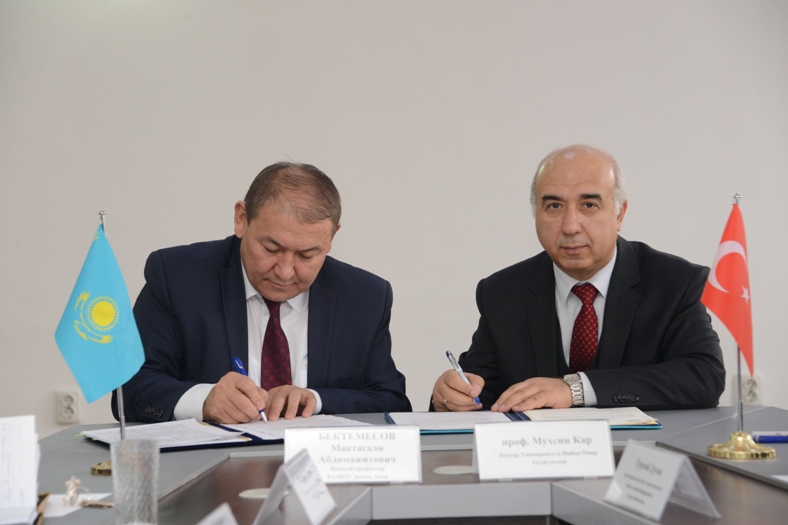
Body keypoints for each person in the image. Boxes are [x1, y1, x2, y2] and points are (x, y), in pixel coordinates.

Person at [432, 145, 725, 413]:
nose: (571, 226)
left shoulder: (674, 283)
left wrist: (576, 389)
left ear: (619, 214)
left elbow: (704, 376)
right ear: (536, 214)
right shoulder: (503, 293)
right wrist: (452, 396)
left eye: (589, 205)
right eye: (554, 206)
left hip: (640, 450)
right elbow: (481, 393)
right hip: (540, 453)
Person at [113, 162, 412, 424]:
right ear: (242, 219)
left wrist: (316, 400)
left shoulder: (365, 297)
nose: (285, 271)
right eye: (271, 249)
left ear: (332, 237)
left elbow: (390, 401)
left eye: (307, 255)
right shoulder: (177, 278)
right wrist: (205, 400)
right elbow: (130, 388)